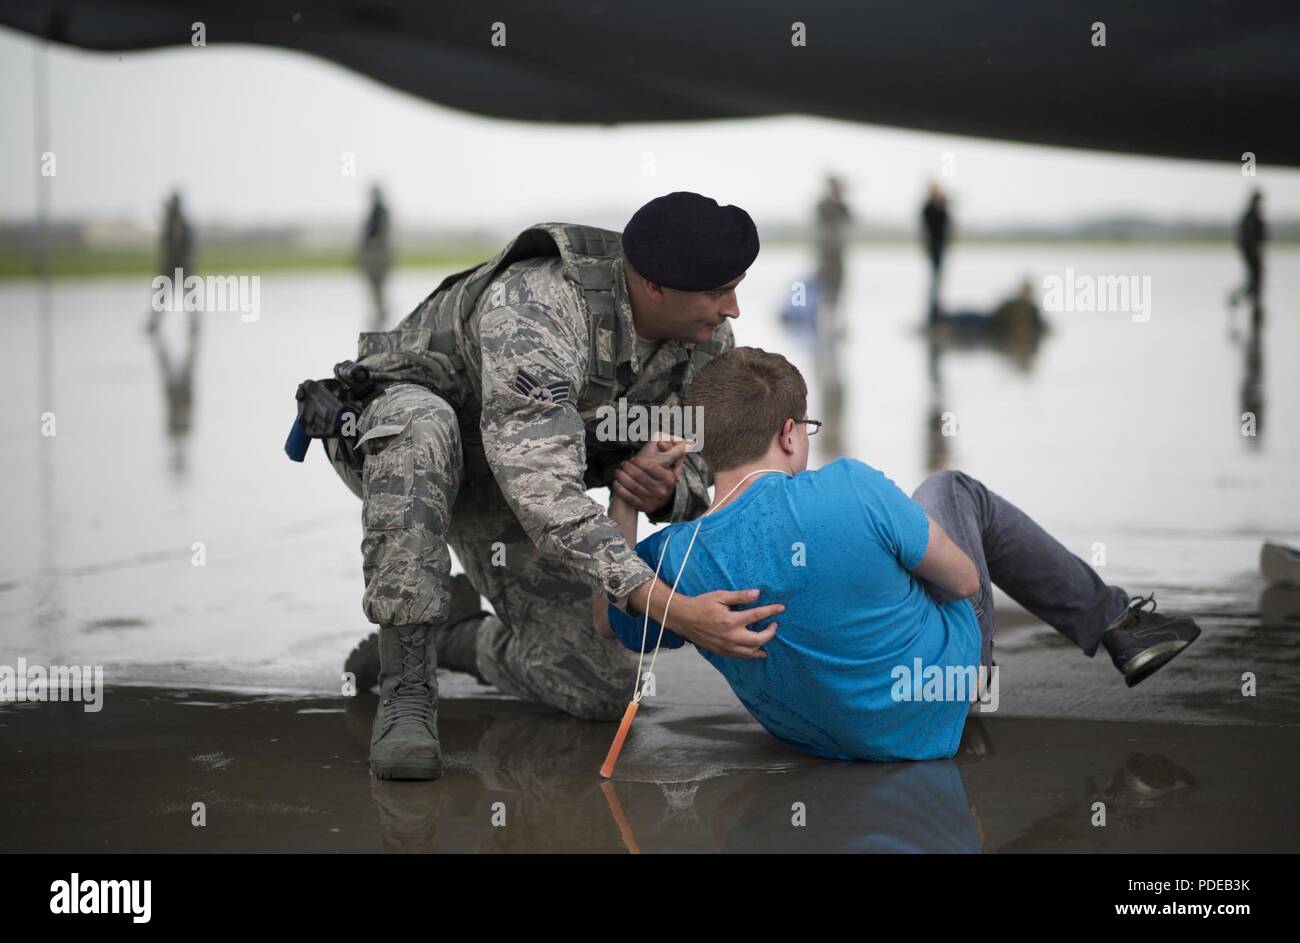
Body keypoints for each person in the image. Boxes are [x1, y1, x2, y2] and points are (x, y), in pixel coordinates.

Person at [323, 192, 783, 780]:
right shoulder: (537, 307)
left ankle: (456, 637)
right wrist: (669, 606)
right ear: (654, 288)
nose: (734, 309)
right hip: (415, 449)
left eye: (736, 287)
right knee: (421, 430)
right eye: (719, 292)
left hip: (511, 480)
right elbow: (541, 487)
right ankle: (406, 685)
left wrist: (658, 486)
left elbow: (710, 460)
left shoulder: (704, 339)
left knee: (599, 686)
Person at [595, 347, 1203, 762]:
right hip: (940, 699)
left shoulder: (675, 555)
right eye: (804, 428)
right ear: (787, 433)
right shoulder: (851, 485)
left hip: (818, 739)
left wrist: (624, 497)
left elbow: (612, 619)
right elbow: (965, 581)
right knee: (951, 491)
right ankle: (1118, 623)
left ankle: (1117, 623)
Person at [146, 191, 193, 333]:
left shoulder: (181, 223)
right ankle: (154, 323)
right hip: (170, 266)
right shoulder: (171, 222)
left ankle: (193, 325)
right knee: (161, 295)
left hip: (181, 266)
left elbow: (186, 246)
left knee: (189, 297)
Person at [358, 185, 394, 330]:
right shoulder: (375, 212)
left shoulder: (381, 212)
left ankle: (382, 314)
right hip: (374, 257)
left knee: (378, 286)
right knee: (375, 287)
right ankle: (380, 312)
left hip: (378, 257)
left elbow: (381, 235)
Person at [1229, 190, 1266, 317]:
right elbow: (1249, 238)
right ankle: (1240, 301)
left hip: (1252, 253)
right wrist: (1255, 253)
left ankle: (1253, 306)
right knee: (1255, 280)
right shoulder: (1251, 216)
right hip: (1252, 254)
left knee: (1254, 280)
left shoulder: (1252, 215)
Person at [921, 182, 951, 318]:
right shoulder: (928, 207)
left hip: (941, 244)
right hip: (933, 245)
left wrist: (944, 204)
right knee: (935, 276)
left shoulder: (942, 206)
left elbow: (947, 220)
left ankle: (936, 304)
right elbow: (927, 222)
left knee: (939, 276)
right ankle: (932, 308)